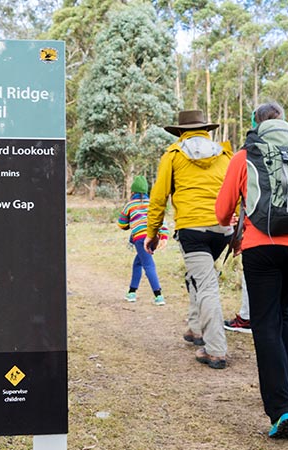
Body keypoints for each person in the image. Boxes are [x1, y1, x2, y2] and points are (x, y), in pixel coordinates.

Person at [215, 102, 288, 439]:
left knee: (264, 323)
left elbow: (221, 212)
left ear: (255, 125)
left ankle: (281, 410)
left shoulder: (243, 156)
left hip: (262, 249)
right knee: (283, 314)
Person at [145, 109, 233, 369]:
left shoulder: (173, 155)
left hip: (192, 230)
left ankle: (216, 349)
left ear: (181, 132)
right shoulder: (225, 155)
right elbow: (236, 191)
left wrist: (152, 233)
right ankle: (195, 329)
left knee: (205, 285)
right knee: (196, 277)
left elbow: (159, 197)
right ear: (206, 130)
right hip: (223, 229)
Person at [117, 175, 168, 306]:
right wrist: (164, 236)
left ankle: (159, 295)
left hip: (140, 238)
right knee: (138, 263)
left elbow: (121, 224)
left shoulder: (130, 205)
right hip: (154, 237)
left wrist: (131, 223)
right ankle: (132, 292)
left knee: (148, 265)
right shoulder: (151, 204)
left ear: (133, 192)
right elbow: (161, 220)